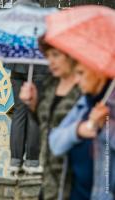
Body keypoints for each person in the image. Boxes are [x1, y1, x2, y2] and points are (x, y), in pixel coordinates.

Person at [19, 35, 81, 199]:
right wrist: (34, 106)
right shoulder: (50, 84)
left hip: (75, 178)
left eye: (56, 55)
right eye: (48, 56)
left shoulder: (84, 88)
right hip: (49, 177)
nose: (50, 61)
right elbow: (45, 123)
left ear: (70, 55)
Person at [48, 51, 115, 200]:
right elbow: (55, 143)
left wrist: (105, 126)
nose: (77, 80)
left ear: (99, 73)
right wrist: (78, 130)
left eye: (81, 73)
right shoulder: (84, 103)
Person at [7, 0, 50, 175]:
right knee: (34, 113)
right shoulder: (44, 18)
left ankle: (15, 160)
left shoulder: (14, 15)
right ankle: (32, 161)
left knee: (19, 113)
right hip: (38, 69)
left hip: (17, 68)